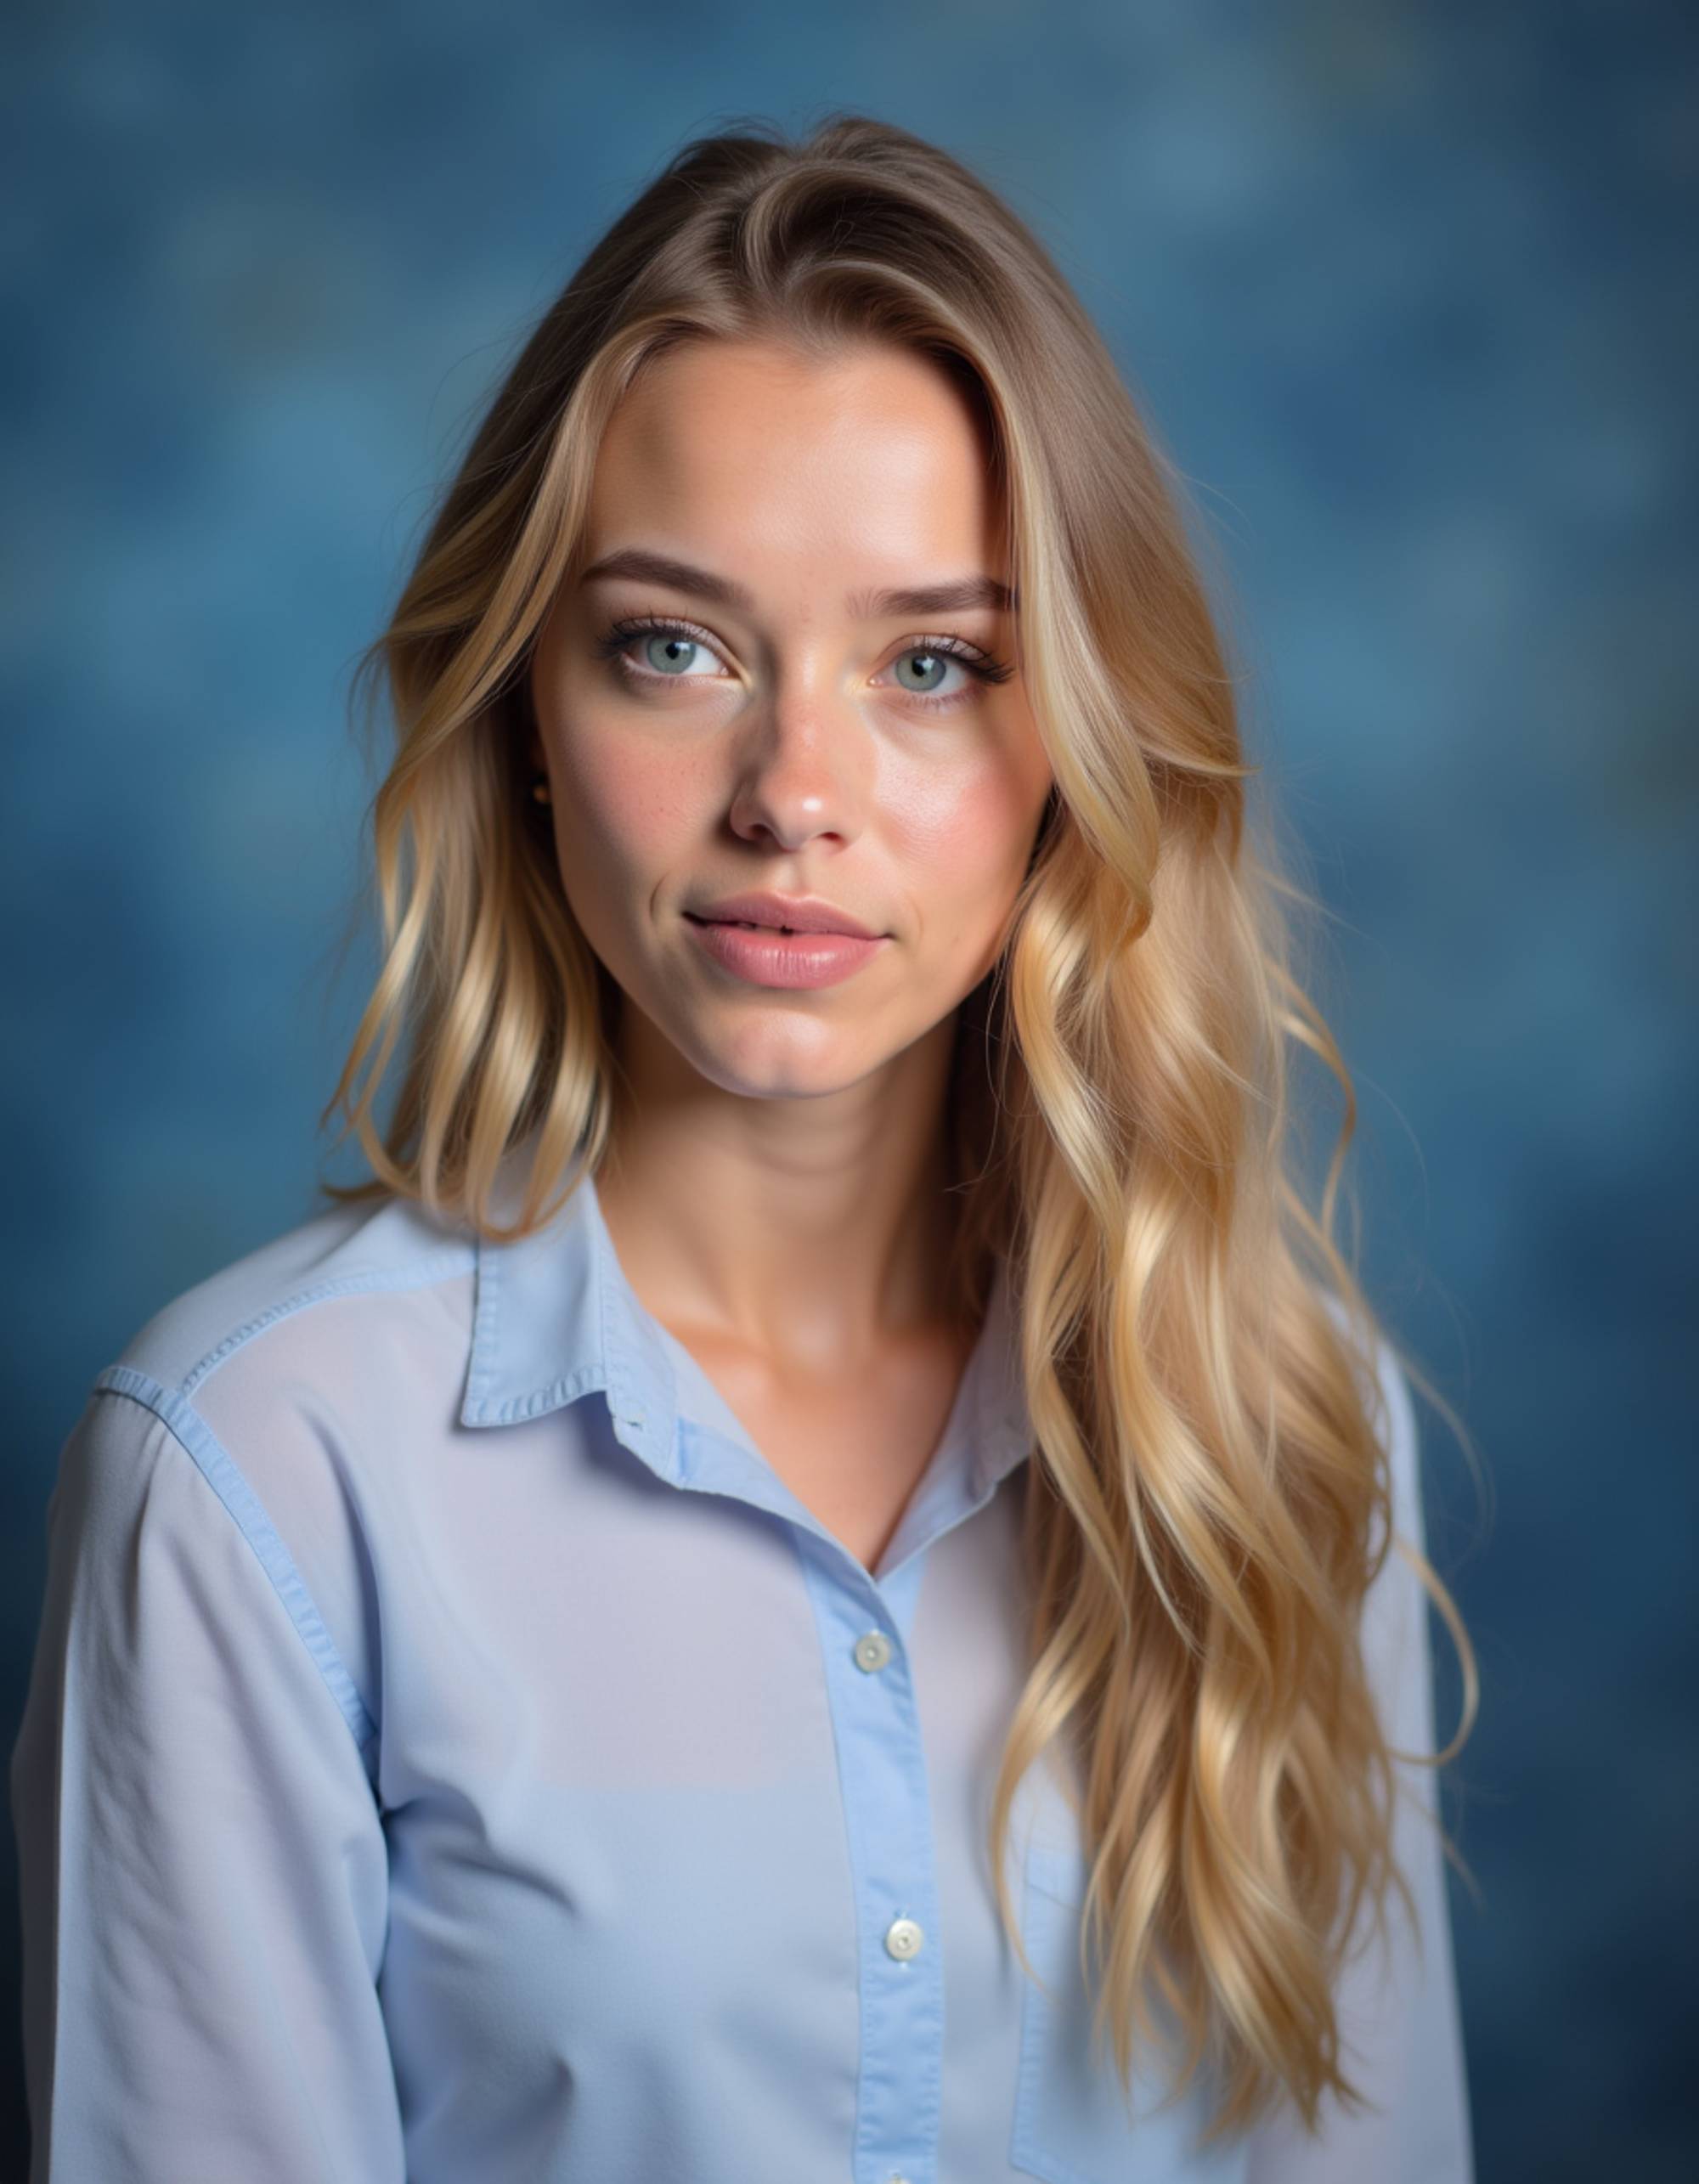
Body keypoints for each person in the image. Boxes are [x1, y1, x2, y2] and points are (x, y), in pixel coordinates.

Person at [10, 113, 1481, 2182]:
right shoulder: (259, 1471)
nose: (797, 791)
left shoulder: (1273, 1420)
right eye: (674, 645)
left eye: (933, 665)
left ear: (1075, 743)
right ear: (524, 709)